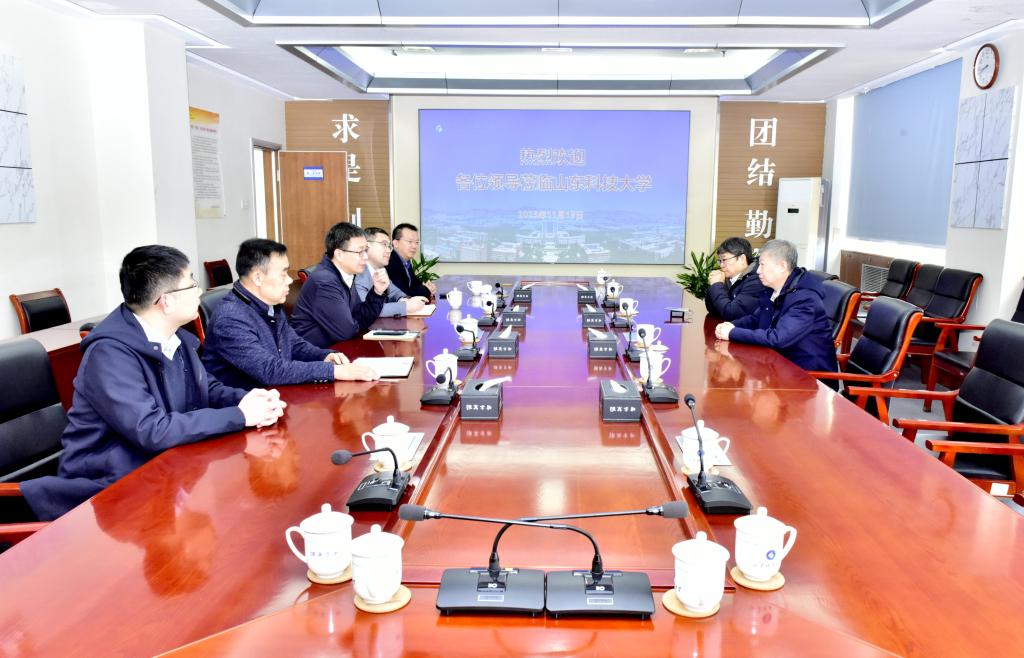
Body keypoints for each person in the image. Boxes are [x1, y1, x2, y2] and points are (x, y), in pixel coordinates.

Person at [19, 245, 286, 521]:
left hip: (163, 469)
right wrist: (240, 416)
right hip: (107, 493)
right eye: (191, 283)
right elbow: (151, 430)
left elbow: (206, 387)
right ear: (166, 301)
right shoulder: (110, 354)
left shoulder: (173, 337)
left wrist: (249, 400)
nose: (199, 291)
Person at [201, 238, 379, 388]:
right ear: (257, 278)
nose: (288, 280)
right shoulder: (230, 318)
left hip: (276, 396)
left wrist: (324, 356)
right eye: (283, 274)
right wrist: (333, 371)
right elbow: (269, 370)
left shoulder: (269, 304)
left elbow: (293, 344)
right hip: (245, 408)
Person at [714, 239, 839, 374]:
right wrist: (731, 325)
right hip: (779, 365)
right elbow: (755, 319)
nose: (758, 271)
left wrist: (732, 333)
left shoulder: (805, 299)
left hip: (808, 377)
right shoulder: (774, 290)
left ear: (782, 266)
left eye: (762, 265)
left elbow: (778, 339)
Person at [291, 222, 389, 348]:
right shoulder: (324, 281)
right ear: (339, 255)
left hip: (336, 348)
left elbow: (360, 316)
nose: (365, 257)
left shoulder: (346, 274)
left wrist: (377, 292)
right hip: (313, 353)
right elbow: (346, 331)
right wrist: (354, 323)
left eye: (366, 250)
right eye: (360, 252)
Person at [355, 227, 429, 317]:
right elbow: (368, 309)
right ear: (366, 246)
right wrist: (405, 307)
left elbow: (395, 292)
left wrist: (405, 300)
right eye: (384, 244)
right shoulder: (358, 275)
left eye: (389, 246)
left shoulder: (380, 269)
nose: (388, 251)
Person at [705, 237, 766, 321]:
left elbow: (732, 314)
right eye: (720, 261)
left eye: (724, 260)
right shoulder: (728, 277)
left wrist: (717, 285)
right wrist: (714, 285)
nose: (721, 265)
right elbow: (713, 309)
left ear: (742, 259)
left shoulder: (756, 281)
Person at [386, 223, 435, 299]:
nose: (414, 246)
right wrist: (427, 290)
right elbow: (404, 293)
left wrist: (425, 285)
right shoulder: (389, 263)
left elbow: (413, 282)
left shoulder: (406, 261)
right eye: (410, 241)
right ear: (396, 243)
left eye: (417, 242)